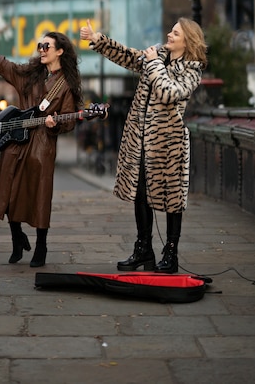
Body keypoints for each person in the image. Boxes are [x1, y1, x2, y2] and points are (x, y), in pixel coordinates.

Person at [80, 17, 207, 273]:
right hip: (140, 141)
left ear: (188, 40)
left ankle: (171, 254)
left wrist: (154, 64)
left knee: (173, 199)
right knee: (140, 194)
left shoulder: (192, 70)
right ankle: (143, 249)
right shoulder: (156, 55)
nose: (169, 36)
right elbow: (128, 56)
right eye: (170, 31)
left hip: (168, 145)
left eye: (175, 33)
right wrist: (98, 40)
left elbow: (168, 93)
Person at [0, 32, 83, 267]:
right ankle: (17, 237)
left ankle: (41, 246)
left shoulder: (66, 85)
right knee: (9, 194)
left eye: (47, 45)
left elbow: (69, 120)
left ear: (60, 51)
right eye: (40, 45)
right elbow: (1, 64)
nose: (42, 49)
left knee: (40, 196)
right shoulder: (28, 75)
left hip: (42, 146)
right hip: (15, 142)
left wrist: (56, 123)